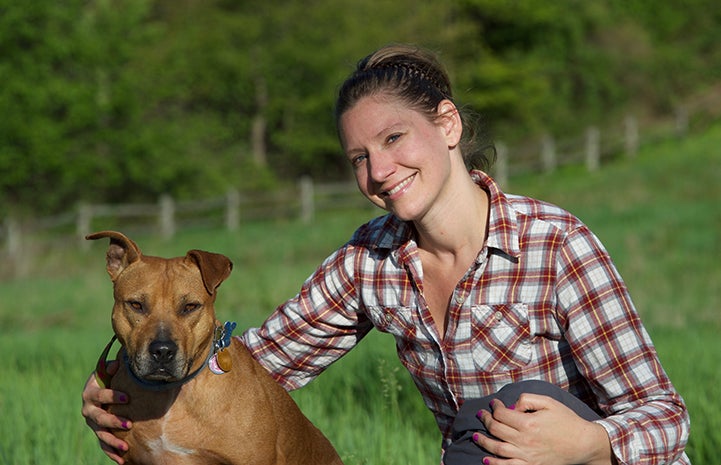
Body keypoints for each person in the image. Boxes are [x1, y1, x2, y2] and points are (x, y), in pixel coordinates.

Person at [82, 43, 691, 465]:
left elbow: (665, 416)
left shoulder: (556, 244)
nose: (379, 171)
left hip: (590, 461)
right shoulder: (369, 262)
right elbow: (255, 365)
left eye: (394, 138)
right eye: (358, 158)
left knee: (507, 407)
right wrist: (133, 387)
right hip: (479, 461)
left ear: (447, 125)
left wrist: (586, 442)